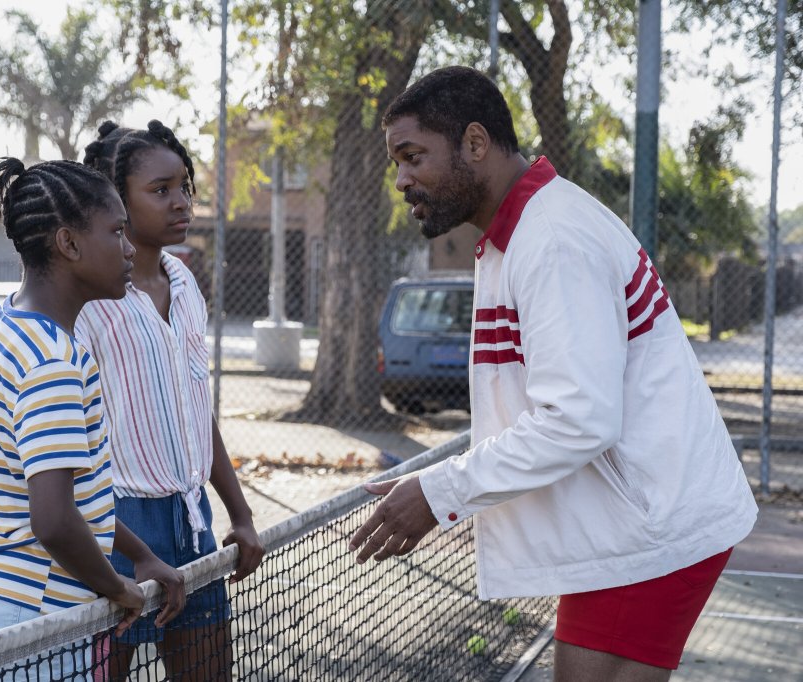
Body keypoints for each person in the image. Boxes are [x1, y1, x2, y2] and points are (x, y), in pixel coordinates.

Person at [348, 66, 758, 681]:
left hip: (651, 526)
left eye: (413, 157)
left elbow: (577, 420)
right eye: (397, 163)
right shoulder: (518, 233)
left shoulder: (553, 238)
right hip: (634, 521)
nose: (402, 179)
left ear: (476, 143)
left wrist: (440, 493)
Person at [0, 157, 187, 676]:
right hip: (34, 617)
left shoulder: (7, 324)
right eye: (117, 231)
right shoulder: (53, 362)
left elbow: (76, 496)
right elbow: (54, 519)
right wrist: (120, 587)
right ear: (69, 244)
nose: (129, 248)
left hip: (5, 609)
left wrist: (141, 553)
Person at [78, 120, 265, 680]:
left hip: (193, 523)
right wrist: (125, 544)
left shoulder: (183, 281)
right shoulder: (88, 297)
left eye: (183, 185)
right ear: (116, 200)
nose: (180, 201)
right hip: (116, 530)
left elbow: (194, 406)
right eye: (160, 190)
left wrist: (241, 512)